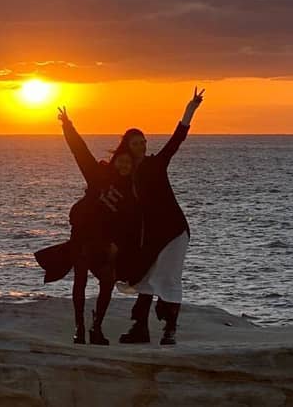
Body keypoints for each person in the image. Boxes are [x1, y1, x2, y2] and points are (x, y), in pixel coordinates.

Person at [118, 86, 205, 346]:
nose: (142, 146)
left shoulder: (157, 163)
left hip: (175, 232)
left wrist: (190, 110)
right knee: (144, 279)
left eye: (143, 142)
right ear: (127, 147)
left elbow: (177, 139)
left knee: (168, 278)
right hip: (153, 235)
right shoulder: (124, 174)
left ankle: (170, 330)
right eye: (136, 143)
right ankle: (140, 330)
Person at [52, 106, 139, 345]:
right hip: (82, 237)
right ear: (115, 160)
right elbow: (80, 151)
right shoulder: (97, 174)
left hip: (104, 243)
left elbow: (127, 225)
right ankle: (80, 328)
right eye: (121, 161)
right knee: (79, 281)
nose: (124, 166)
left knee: (107, 282)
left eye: (128, 164)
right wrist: (67, 126)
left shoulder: (131, 193)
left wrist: (116, 246)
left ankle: (96, 327)